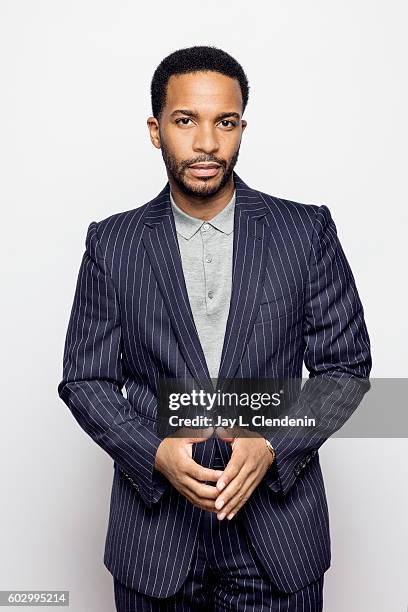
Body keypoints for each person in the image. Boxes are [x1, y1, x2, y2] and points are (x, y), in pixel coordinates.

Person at [57, 45, 372, 611]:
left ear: (242, 127)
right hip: (155, 545)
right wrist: (152, 451)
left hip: (277, 541)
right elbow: (86, 380)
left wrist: (275, 442)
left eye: (224, 122)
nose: (206, 143)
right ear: (156, 130)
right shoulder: (113, 243)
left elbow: (344, 370)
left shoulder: (306, 232)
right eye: (186, 121)